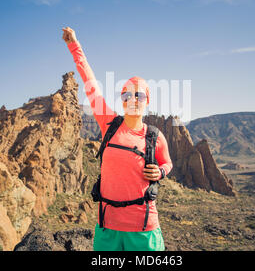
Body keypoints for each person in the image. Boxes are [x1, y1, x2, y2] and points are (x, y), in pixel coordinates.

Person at [62, 26, 173, 251]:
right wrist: (74, 46)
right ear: (122, 100)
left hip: (143, 231)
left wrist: (161, 171)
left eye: (138, 94)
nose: (132, 99)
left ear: (147, 100)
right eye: (126, 94)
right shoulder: (109, 124)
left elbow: (167, 162)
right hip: (107, 229)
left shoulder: (154, 136)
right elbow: (89, 82)